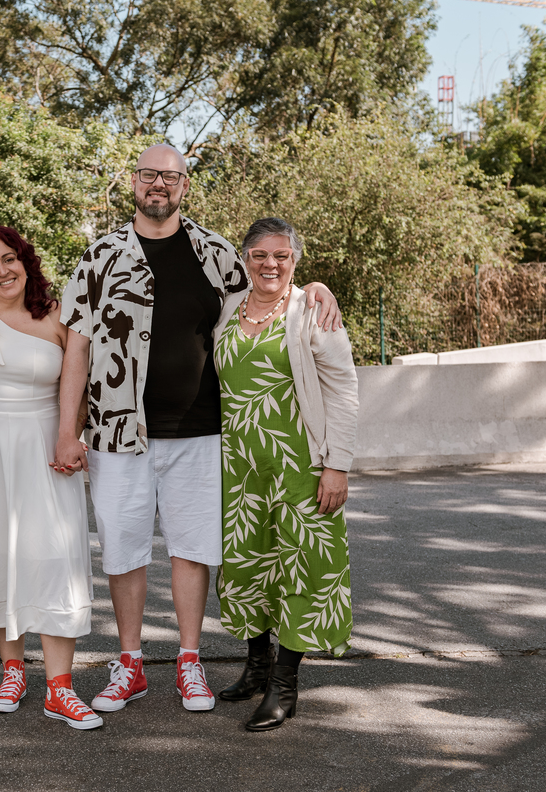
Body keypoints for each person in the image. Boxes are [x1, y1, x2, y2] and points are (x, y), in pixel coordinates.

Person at [53, 144, 342, 714]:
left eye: (170, 176)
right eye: (148, 174)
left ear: (185, 185)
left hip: (203, 431)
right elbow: (77, 349)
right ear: (133, 182)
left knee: (193, 549)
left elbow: (268, 293)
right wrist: (68, 431)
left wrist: (314, 289)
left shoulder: (217, 254)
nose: (158, 184)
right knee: (123, 551)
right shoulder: (100, 257)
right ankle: (130, 664)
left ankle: (190, 662)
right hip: (116, 434)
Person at [0, 226, 103, 730]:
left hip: (45, 447)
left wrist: (71, 435)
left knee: (55, 559)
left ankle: (61, 687)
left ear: (25, 260)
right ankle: (11, 670)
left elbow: (79, 385)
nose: (1, 272)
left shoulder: (58, 314)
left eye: (8, 259)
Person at [212, 217, 359, 732]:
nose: (270, 264)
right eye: (259, 255)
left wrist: (337, 465)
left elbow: (343, 390)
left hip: (300, 463)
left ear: (295, 260)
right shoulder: (229, 306)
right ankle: (256, 665)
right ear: (244, 259)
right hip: (240, 466)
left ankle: (285, 685)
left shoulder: (313, 310)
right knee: (248, 564)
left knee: (302, 566)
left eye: (281, 255)